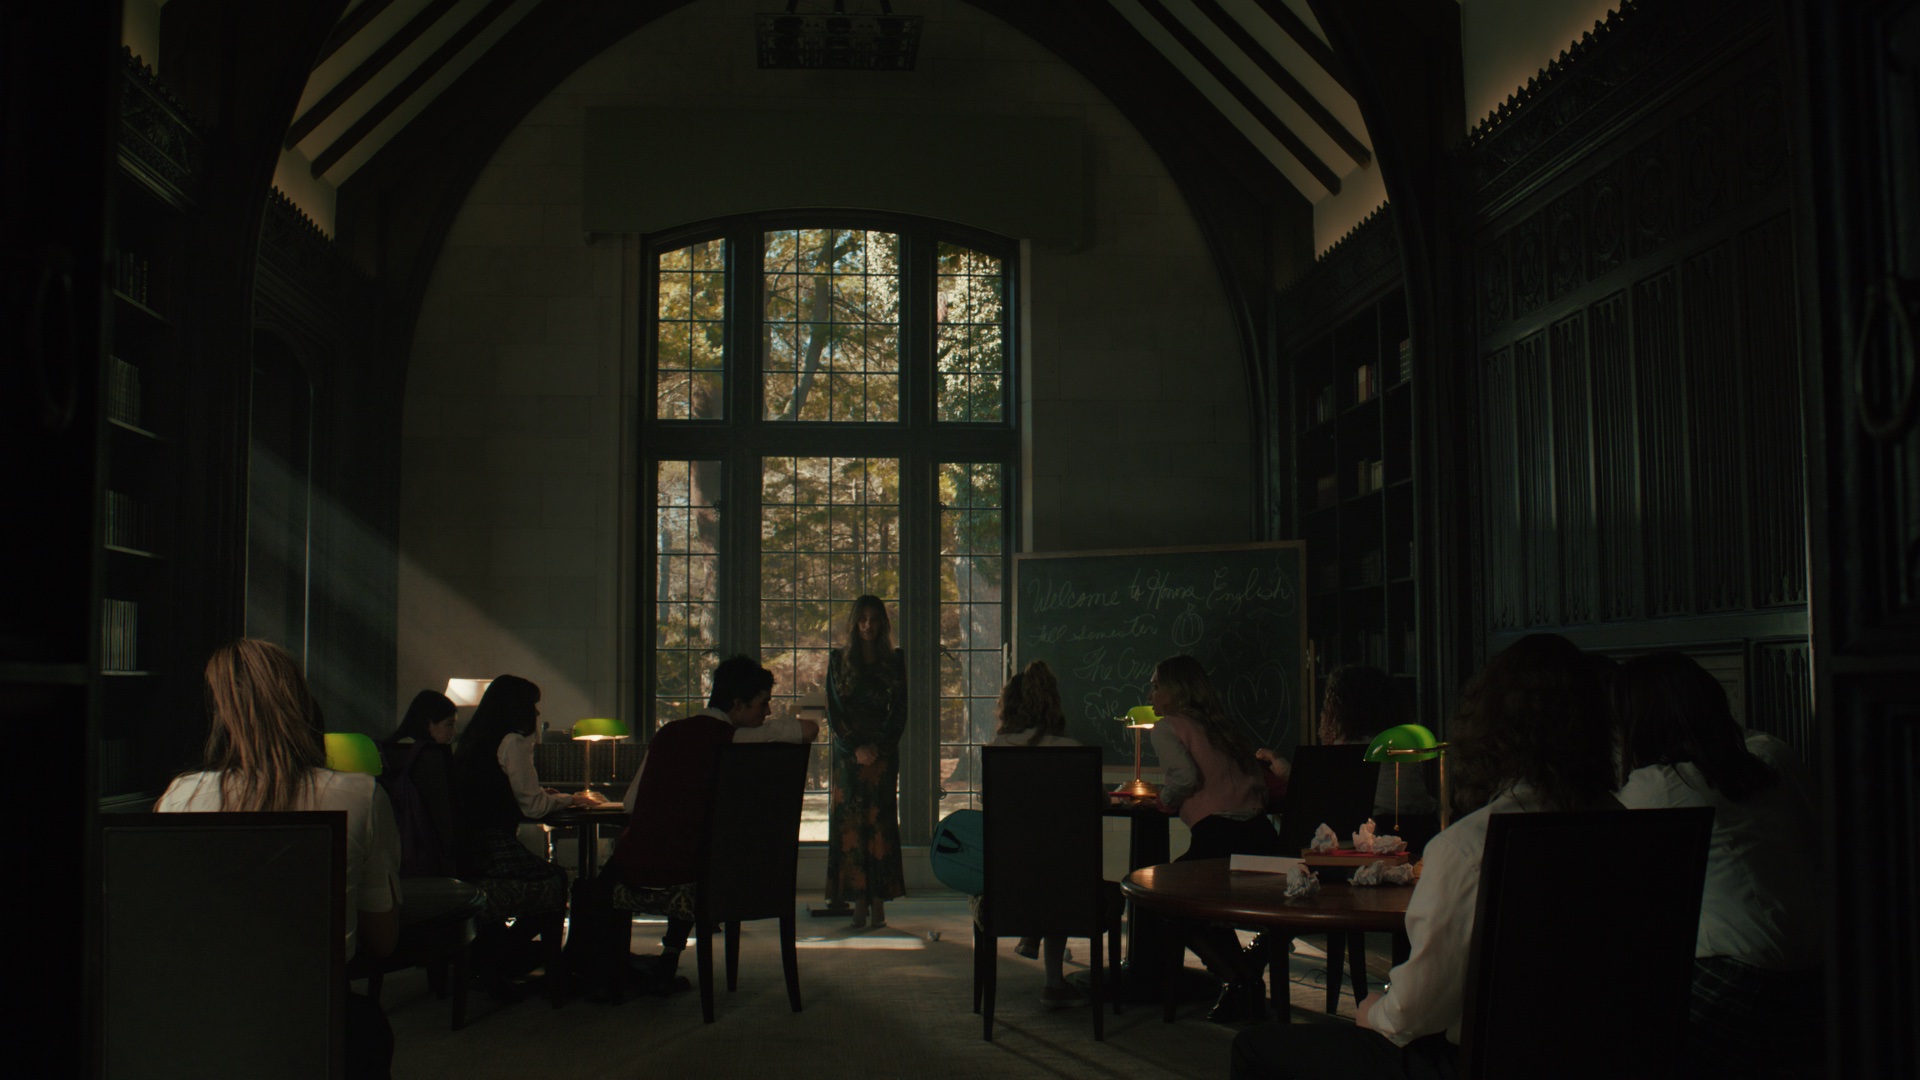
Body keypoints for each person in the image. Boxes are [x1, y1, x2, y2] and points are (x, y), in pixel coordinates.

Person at [1229, 632, 1622, 1079]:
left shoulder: (1471, 845)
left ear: (1492, 727)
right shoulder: (1630, 823)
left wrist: (1375, 1012)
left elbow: (1413, 1013)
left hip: (1476, 1063)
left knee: (1253, 1048)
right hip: (1604, 1055)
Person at [156, 639, 401, 1080]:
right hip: (314, 1022)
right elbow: (381, 940)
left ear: (218, 713)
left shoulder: (179, 797)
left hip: (200, 1027)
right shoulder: (360, 794)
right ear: (303, 702)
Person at [1613, 652, 1825, 1074]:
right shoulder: (1770, 754)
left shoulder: (1653, 790)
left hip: (1739, 984)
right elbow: (1816, 839)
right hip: (1820, 978)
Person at [589, 654, 819, 997]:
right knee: (701, 854)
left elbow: (630, 804)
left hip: (639, 865)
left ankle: (602, 965)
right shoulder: (733, 738)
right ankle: (664, 960)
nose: (767, 713)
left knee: (600, 882)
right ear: (738, 704)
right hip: (692, 869)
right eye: (763, 704)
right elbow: (808, 729)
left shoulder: (668, 734)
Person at [1147, 654, 1279, 1023]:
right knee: (1272, 909)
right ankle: (1245, 972)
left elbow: (1184, 778)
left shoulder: (1168, 727)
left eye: (1157, 685)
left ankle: (1239, 978)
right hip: (1262, 836)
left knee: (1165, 900)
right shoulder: (1225, 727)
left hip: (1219, 838)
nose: (1152, 692)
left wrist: (1165, 800)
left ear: (1175, 691)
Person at [450, 674, 597, 998]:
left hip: (466, 850)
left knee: (549, 878)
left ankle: (494, 955)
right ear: (518, 708)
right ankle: (513, 959)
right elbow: (533, 807)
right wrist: (571, 799)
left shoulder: (473, 742)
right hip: (494, 846)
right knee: (556, 879)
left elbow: (508, 793)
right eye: (533, 705)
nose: (537, 713)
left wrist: (547, 795)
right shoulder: (513, 742)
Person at [981, 660, 1089, 1009]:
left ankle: (1030, 933)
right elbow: (1092, 803)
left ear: (1009, 704)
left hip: (1008, 884)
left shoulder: (998, 750)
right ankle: (1054, 982)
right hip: (1062, 890)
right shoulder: (1072, 751)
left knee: (1033, 861)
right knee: (1058, 867)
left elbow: (989, 805)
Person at [1255, 665, 1439, 845]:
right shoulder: (1402, 749)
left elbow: (1323, 798)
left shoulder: (1348, 753)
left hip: (1368, 847)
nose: (1323, 715)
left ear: (1340, 711)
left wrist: (1287, 771)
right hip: (1420, 840)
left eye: (1327, 707)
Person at [825, 594, 908, 930]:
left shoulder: (895, 660)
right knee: (851, 827)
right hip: (848, 757)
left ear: (883, 624)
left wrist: (878, 747)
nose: (868, 626)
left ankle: (879, 902)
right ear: (854, 623)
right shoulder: (838, 660)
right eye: (863, 619)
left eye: (875, 619)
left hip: (883, 756)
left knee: (881, 825)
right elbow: (834, 710)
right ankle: (857, 900)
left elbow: (900, 709)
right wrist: (856, 747)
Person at [379, 689, 459, 877]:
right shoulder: (427, 758)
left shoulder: (391, 751)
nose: (453, 733)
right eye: (449, 725)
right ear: (429, 724)